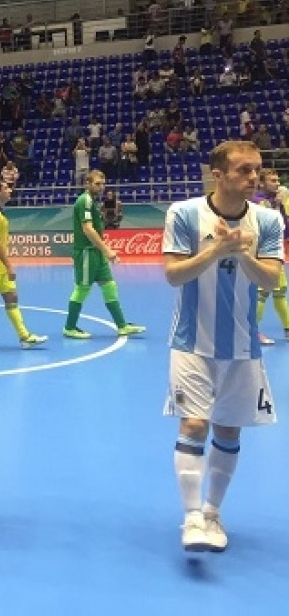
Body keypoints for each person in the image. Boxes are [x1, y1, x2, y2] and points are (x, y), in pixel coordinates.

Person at [162, 140, 283, 552]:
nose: (254, 177)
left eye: (257, 169)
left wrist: (241, 252)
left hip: (243, 346)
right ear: (219, 174)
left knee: (228, 429)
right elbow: (174, 275)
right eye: (244, 170)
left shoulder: (267, 220)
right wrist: (216, 249)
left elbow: (271, 280)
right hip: (191, 341)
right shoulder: (183, 213)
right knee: (194, 425)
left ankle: (213, 512)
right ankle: (192, 517)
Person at [62, 171, 146, 338]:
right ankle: (69, 327)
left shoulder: (93, 202)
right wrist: (107, 250)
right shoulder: (84, 201)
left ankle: (122, 326)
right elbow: (87, 229)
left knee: (109, 286)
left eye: (103, 184)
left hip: (96, 253)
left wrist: (102, 251)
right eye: (97, 184)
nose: (101, 187)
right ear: (87, 184)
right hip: (86, 252)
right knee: (82, 289)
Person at [0, 180, 47, 348]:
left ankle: (24, 337)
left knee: (11, 297)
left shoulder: (0, 211)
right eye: (5, 188)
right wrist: (9, 265)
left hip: (0, 267)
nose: (9, 190)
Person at [252, 168, 289, 344]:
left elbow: (285, 230)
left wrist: (281, 205)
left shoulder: (277, 201)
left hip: (276, 252)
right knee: (262, 292)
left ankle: (288, 328)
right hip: (261, 253)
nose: (277, 184)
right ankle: (252, 332)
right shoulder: (257, 202)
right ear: (261, 184)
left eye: (278, 180)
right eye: (273, 181)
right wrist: (276, 206)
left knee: (280, 291)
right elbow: (267, 226)